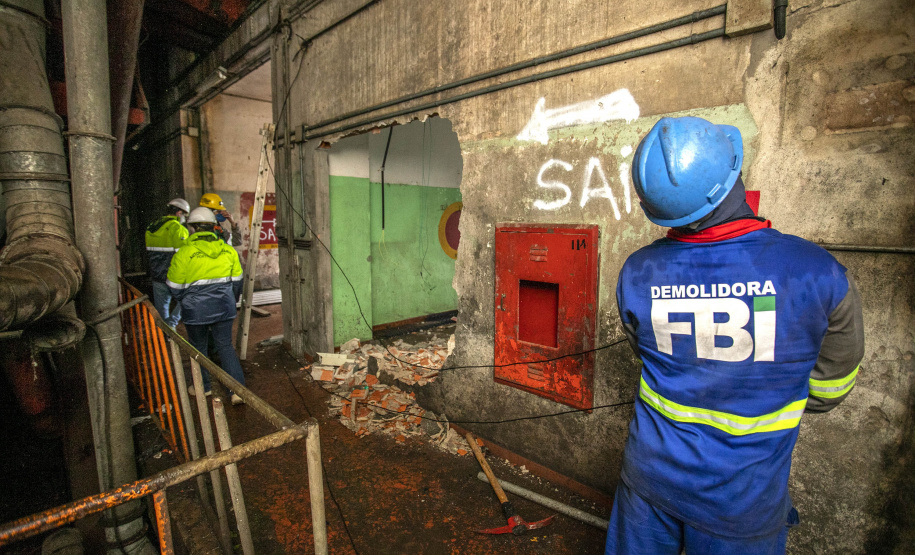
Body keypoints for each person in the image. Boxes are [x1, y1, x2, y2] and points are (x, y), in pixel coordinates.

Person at [607, 116, 864, 554]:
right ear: (733, 176)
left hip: (649, 482)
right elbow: (828, 390)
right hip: (742, 499)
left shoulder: (637, 271)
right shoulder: (819, 274)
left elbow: (646, 352)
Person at [166, 207, 247, 405]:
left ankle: (204, 387)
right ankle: (237, 391)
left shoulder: (184, 253)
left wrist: (187, 300)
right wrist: (230, 300)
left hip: (195, 312)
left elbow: (174, 286)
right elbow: (237, 282)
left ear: (193, 228)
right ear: (213, 227)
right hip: (225, 307)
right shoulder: (228, 251)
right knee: (225, 346)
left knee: (198, 348)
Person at [145, 198, 190, 328]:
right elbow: (184, 256)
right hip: (174, 277)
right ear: (179, 213)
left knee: (162, 313)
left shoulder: (151, 227)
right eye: (184, 215)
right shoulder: (177, 228)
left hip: (157, 276)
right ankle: (172, 323)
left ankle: (167, 335)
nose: (184, 218)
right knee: (188, 298)